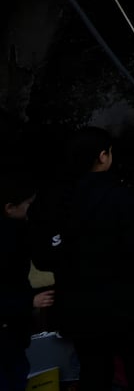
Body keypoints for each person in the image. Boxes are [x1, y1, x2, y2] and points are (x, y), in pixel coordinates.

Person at [30, 128, 134, 391]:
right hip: (128, 310)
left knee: (94, 375)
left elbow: (44, 258)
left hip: (81, 313)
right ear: (103, 157)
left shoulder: (52, 204)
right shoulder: (121, 198)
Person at [2, 165, 53, 391]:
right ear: (9, 208)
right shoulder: (9, 239)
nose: (31, 210)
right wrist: (27, 301)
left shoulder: (16, 232)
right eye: (28, 205)